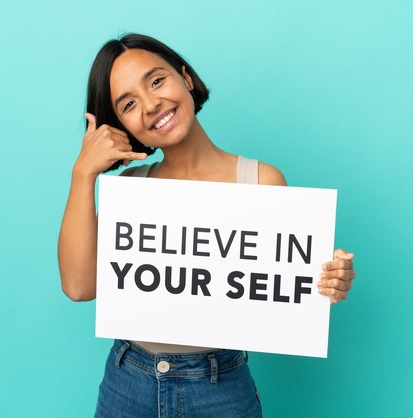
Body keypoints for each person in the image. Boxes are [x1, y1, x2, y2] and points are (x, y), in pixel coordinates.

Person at [57, 33, 357, 418]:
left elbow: (285, 285)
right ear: (121, 124)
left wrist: (328, 280)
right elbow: (80, 287)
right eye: (129, 104)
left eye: (157, 81)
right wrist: (83, 173)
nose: (151, 105)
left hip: (221, 386)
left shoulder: (262, 181)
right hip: (127, 382)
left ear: (186, 78)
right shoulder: (131, 190)